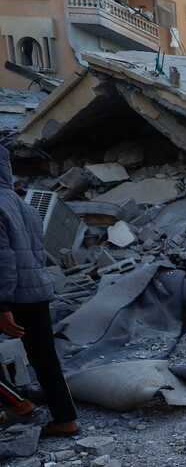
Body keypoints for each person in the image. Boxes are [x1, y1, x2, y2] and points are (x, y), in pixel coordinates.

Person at [0, 144, 78, 437]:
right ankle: (65, 418)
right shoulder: (22, 204)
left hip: (12, 295)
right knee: (46, 360)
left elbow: (4, 260)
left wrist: (3, 306)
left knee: (42, 358)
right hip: (37, 292)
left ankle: (18, 404)